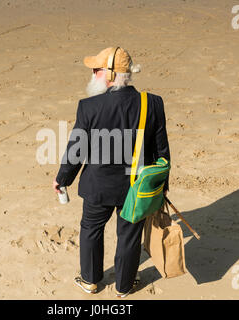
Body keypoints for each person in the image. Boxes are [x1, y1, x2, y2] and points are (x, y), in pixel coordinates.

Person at [53, 47, 170, 298]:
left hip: (98, 186)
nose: (92, 74)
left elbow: (77, 149)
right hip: (137, 186)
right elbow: (162, 152)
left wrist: (62, 179)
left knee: (91, 229)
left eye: (96, 70)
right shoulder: (152, 103)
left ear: (108, 74)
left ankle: (90, 281)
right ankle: (124, 286)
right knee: (129, 235)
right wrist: (161, 187)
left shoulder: (89, 106)